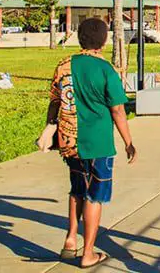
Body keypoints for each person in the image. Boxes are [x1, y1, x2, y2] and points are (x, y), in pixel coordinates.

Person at [36, 18, 137, 268]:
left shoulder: (64, 65)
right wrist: (128, 142)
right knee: (94, 196)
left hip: (70, 141)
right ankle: (88, 253)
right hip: (98, 143)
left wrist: (50, 128)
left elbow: (54, 101)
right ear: (104, 41)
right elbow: (117, 110)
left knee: (77, 190)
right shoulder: (105, 69)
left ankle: (70, 239)